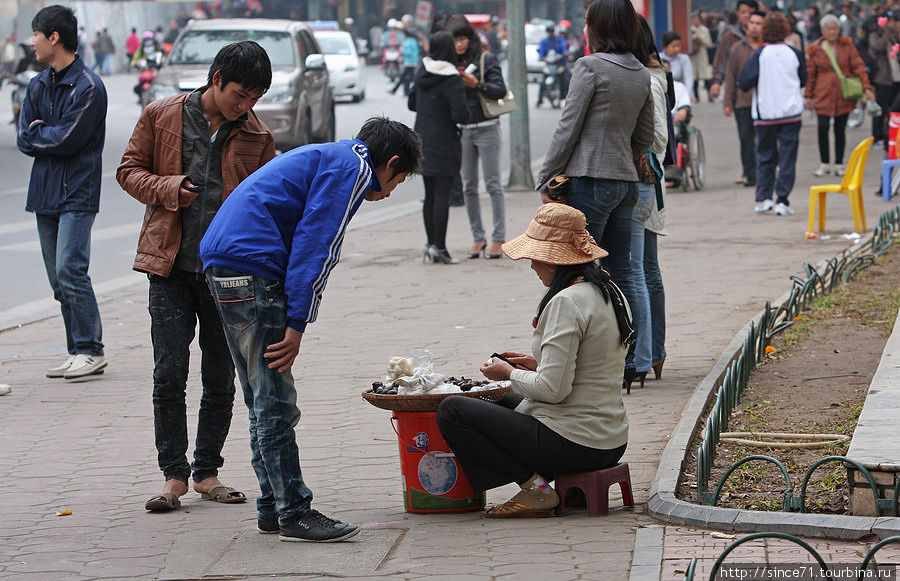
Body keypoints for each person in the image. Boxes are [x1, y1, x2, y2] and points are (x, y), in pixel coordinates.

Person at [198, 117, 422, 541]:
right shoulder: (354, 169)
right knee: (276, 400)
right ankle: (295, 511)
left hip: (223, 263)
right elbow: (317, 246)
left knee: (259, 394)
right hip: (252, 268)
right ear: (390, 162)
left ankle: (272, 505)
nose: (390, 191)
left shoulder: (333, 156)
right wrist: (297, 323)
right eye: (398, 181)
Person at [117, 41, 275, 513]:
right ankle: (173, 477)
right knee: (169, 372)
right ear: (217, 78)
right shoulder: (161, 115)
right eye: (239, 94)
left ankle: (207, 472)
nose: (244, 106)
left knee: (221, 374)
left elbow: (266, 203)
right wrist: (168, 189)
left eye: (254, 98)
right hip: (168, 265)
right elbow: (128, 171)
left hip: (227, 273)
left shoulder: (257, 135)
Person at [436, 203, 632, 518]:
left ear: (553, 262)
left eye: (534, 258)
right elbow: (592, 364)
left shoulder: (566, 302)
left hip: (575, 442)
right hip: (611, 439)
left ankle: (535, 490)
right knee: (496, 401)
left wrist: (508, 372)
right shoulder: (608, 290)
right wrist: (535, 363)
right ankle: (551, 488)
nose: (531, 266)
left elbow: (553, 391)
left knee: (453, 410)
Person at [537, 0, 654, 320]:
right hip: (626, 183)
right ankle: (636, 359)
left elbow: (567, 128)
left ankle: (582, 351)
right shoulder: (641, 72)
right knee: (625, 271)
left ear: (600, 28)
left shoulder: (589, 66)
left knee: (576, 268)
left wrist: (546, 177)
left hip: (590, 182)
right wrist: (621, 158)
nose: (584, 28)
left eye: (588, 22)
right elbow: (644, 137)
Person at [16, 5, 108, 380]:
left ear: (54, 37)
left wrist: (42, 133)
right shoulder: (38, 84)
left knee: (71, 269)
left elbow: (69, 139)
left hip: (77, 191)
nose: (32, 41)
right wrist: (42, 134)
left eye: (36, 34)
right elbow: (24, 135)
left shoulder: (88, 86)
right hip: (45, 192)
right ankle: (76, 350)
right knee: (58, 280)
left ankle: (91, 349)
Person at [628, 15, 669, 389]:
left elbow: (658, 138)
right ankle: (653, 351)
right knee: (647, 268)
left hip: (642, 184)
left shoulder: (649, 78)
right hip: (643, 185)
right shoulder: (645, 74)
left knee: (640, 269)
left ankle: (648, 352)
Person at [408, 31, 471, 264]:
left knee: (430, 195)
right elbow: (460, 114)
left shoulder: (422, 70)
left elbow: (411, 102)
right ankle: (440, 248)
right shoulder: (452, 78)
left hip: (422, 139)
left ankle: (429, 243)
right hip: (445, 141)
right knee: (442, 195)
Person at [449, 18, 508, 261]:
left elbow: (500, 90)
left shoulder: (486, 59)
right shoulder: (450, 63)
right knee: (468, 186)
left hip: (487, 127)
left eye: (462, 39)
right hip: (464, 129)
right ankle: (478, 236)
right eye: (455, 40)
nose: (458, 45)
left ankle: (499, 237)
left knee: (493, 184)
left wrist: (477, 84)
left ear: (470, 39)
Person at [739, 11, 807, 216]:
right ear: (786, 30)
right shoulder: (795, 53)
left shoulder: (760, 54)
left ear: (765, 29)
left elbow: (744, 82)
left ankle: (763, 198)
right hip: (791, 113)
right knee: (787, 157)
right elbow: (803, 79)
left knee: (766, 156)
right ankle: (783, 200)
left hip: (765, 114)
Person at [806, 14, 875, 177]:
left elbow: (858, 68)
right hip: (822, 94)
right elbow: (811, 74)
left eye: (834, 28)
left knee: (840, 129)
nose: (832, 31)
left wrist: (867, 87)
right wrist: (808, 95)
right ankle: (824, 162)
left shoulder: (847, 47)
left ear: (839, 29)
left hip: (843, 94)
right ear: (823, 30)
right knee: (822, 128)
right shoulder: (816, 49)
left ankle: (838, 163)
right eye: (828, 28)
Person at [724, 10, 766, 188]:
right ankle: (750, 174)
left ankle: (766, 173)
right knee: (746, 139)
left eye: (759, 23)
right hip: (744, 101)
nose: (755, 26)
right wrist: (728, 102)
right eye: (752, 23)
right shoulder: (737, 49)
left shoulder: (768, 48)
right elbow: (731, 76)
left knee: (765, 139)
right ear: (747, 26)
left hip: (766, 102)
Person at [710, 0, 756, 99]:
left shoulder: (764, 36)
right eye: (743, 12)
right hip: (738, 91)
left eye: (750, 12)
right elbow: (721, 59)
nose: (747, 15)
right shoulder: (730, 35)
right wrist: (716, 82)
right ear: (738, 14)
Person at [868, 11, 899, 145]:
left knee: (894, 110)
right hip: (883, 79)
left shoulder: (895, 36)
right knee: (881, 109)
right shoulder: (876, 35)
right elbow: (877, 47)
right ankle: (876, 137)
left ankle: (891, 138)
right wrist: (886, 32)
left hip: (896, 79)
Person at [537, 25, 570, 106]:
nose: (551, 33)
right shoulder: (544, 41)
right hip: (549, 64)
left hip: (560, 64)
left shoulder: (560, 40)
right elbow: (541, 51)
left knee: (566, 79)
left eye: (552, 32)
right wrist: (541, 58)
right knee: (542, 81)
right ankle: (540, 99)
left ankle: (565, 97)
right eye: (549, 32)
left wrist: (565, 53)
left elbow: (564, 48)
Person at [660, 32, 695, 98]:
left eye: (678, 46)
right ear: (665, 47)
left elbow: (688, 77)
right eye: (674, 46)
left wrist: (688, 94)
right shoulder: (658, 59)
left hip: (680, 93)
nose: (677, 49)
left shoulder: (684, 58)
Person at [389, 29, 418, 96]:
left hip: (410, 62)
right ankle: (395, 90)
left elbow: (409, 52)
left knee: (407, 77)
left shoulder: (408, 42)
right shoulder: (413, 41)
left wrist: (402, 51)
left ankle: (406, 92)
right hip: (412, 62)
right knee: (403, 77)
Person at [691, 14, 713, 100]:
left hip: (702, 55)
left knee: (705, 76)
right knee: (694, 76)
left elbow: (709, 43)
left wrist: (699, 37)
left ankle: (710, 95)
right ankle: (696, 96)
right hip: (693, 55)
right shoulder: (690, 29)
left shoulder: (705, 30)